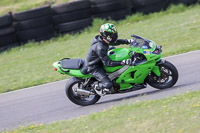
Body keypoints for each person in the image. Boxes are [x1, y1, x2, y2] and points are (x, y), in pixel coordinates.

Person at [85, 23, 132, 95]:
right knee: (108, 85)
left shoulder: (103, 40)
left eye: (115, 34)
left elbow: (115, 42)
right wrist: (123, 62)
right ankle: (98, 88)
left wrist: (128, 41)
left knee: (113, 49)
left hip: (99, 60)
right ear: (106, 35)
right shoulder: (100, 47)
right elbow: (108, 63)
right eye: (112, 34)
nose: (114, 36)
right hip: (94, 66)